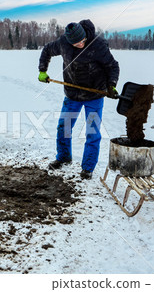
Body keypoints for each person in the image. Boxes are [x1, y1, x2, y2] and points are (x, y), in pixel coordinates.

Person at [38, 19, 119, 179]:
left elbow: (112, 66)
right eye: (76, 44)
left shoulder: (98, 45)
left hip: (94, 95)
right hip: (72, 94)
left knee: (92, 132)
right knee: (63, 127)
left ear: (85, 36)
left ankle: (88, 167)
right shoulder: (63, 43)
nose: (80, 45)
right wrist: (42, 70)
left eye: (82, 41)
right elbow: (47, 50)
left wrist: (112, 85)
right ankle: (63, 157)